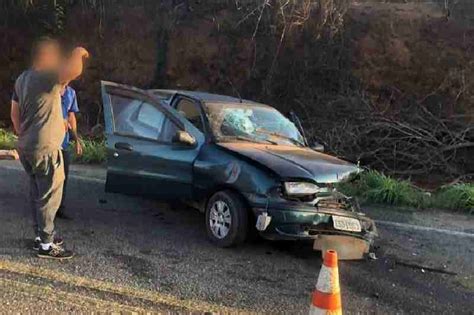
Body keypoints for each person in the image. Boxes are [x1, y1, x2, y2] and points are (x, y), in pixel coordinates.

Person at [10, 37, 89, 259]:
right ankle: (46, 244)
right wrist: (78, 51)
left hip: (28, 145)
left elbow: (14, 113)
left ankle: (40, 235)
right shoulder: (44, 75)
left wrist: (24, 134)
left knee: (37, 192)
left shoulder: (22, 79)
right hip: (45, 148)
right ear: (45, 56)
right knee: (49, 195)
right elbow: (72, 70)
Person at [56, 83, 82, 219]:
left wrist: (76, 139)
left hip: (64, 141)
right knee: (47, 177)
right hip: (49, 141)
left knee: (63, 177)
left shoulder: (71, 93)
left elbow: (71, 117)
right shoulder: (49, 89)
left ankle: (60, 207)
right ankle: (44, 209)